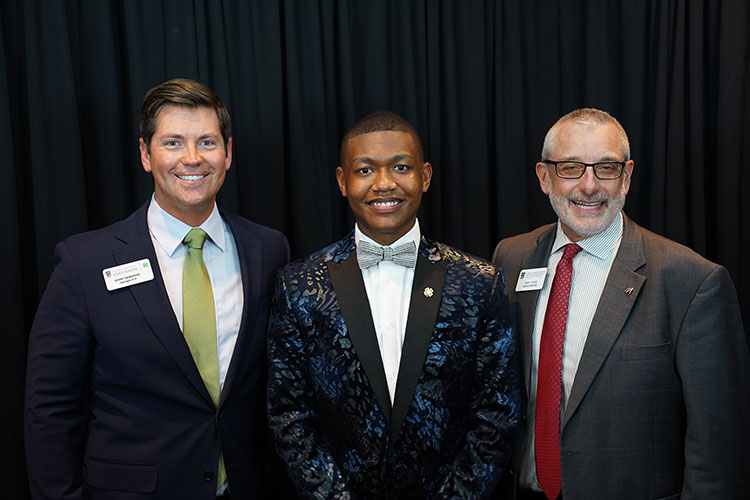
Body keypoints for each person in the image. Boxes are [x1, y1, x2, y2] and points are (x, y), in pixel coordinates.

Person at [24, 78, 290, 499]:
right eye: (172, 143)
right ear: (146, 155)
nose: (191, 159)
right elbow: (50, 410)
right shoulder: (85, 263)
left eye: (206, 142)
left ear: (228, 153)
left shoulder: (269, 250)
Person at [492, 107, 750, 500]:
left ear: (626, 176)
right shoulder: (510, 258)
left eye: (606, 168)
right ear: (545, 178)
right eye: (571, 168)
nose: (590, 186)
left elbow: (719, 449)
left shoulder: (691, 282)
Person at [267, 110, 520, 498]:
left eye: (400, 167)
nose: (384, 184)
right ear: (342, 180)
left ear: (425, 176)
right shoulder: (298, 285)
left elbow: (496, 415)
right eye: (365, 170)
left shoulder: (479, 283)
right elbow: (289, 416)